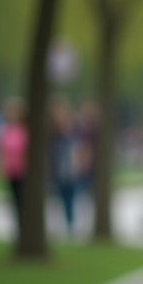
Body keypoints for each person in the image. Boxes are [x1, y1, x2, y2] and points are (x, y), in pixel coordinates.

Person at [48, 95, 80, 237]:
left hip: (70, 170)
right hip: (56, 171)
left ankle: (70, 226)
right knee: (56, 200)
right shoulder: (50, 132)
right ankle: (57, 228)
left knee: (70, 200)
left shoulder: (73, 128)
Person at [0, 97, 28, 229]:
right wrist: (0, 167)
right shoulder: (5, 130)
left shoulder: (25, 129)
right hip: (11, 170)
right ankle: (19, 225)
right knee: (15, 199)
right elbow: (0, 150)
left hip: (25, 170)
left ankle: (26, 223)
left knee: (24, 199)